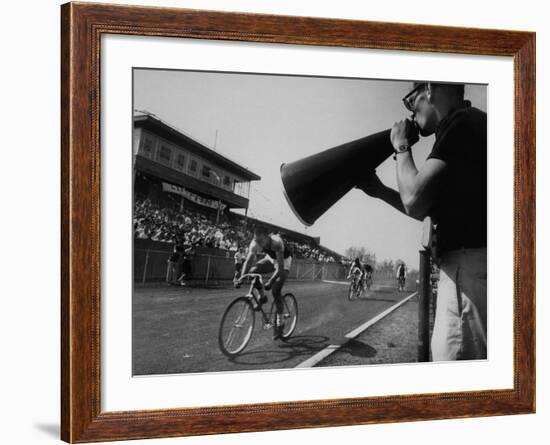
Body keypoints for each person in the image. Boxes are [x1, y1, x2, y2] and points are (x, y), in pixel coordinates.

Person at [358, 82, 487, 361]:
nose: (411, 112)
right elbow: (427, 208)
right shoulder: (467, 124)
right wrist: (380, 191)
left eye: (410, 101)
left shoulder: (462, 123)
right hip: (470, 271)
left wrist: (401, 146)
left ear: (428, 88)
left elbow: (414, 198)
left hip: (466, 271)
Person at [237, 226, 293, 339]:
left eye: (261, 240)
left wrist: (271, 282)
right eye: (256, 240)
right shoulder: (255, 243)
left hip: (284, 260)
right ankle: (262, 297)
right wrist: (241, 277)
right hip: (271, 258)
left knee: (275, 290)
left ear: (267, 237)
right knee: (253, 271)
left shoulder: (276, 242)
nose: (259, 243)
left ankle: (280, 322)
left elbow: (280, 268)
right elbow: (248, 261)